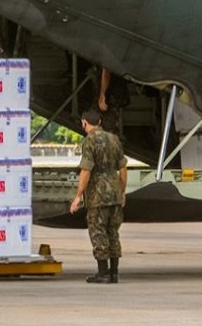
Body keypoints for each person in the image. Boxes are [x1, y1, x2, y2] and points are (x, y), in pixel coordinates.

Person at [69, 109, 128, 284]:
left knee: (98, 232)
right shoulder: (114, 139)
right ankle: (114, 273)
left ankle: (103, 273)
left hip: (98, 194)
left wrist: (78, 195)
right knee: (113, 232)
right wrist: (122, 191)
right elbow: (123, 168)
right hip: (115, 193)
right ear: (100, 121)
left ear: (84, 123)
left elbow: (86, 170)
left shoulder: (89, 141)